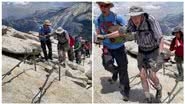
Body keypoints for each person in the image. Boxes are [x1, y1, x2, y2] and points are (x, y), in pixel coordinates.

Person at [98, 6, 164, 103]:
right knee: (142, 75)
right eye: (132, 17)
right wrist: (105, 36)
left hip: (153, 51)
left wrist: (160, 55)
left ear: (141, 15)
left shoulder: (151, 21)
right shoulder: (131, 22)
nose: (134, 19)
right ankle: (148, 98)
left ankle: (158, 88)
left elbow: (160, 38)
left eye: (136, 16)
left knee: (152, 75)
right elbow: (121, 32)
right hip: (142, 51)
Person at [95, 1, 130, 101]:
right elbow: (98, 33)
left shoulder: (117, 18)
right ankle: (116, 72)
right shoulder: (98, 19)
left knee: (124, 69)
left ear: (109, 7)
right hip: (107, 47)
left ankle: (126, 90)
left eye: (105, 6)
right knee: (107, 64)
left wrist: (105, 36)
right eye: (101, 6)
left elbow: (126, 29)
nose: (103, 8)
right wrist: (98, 37)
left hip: (119, 47)